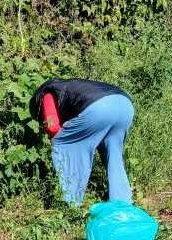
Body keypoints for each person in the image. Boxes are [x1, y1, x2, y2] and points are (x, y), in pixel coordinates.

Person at [30, 78, 135, 207]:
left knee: (64, 142)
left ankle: (70, 202)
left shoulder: (46, 94)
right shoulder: (70, 87)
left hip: (99, 108)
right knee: (114, 155)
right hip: (125, 105)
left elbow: (52, 127)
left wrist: (53, 134)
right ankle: (123, 203)